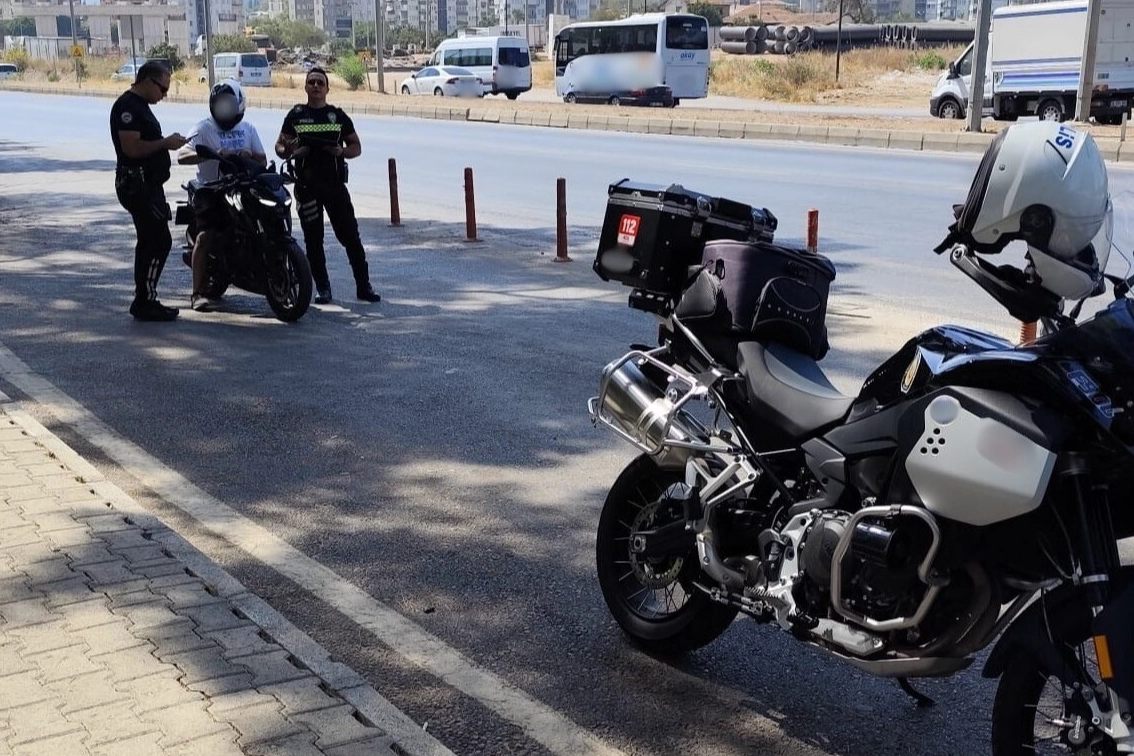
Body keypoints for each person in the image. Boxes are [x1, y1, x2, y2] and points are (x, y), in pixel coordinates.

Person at [273, 67, 381, 304]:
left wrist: (341, 151)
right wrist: (290, 150)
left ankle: (364, 286)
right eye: (311, 82)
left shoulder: (337, 116)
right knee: (313, 241)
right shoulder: (296, 115)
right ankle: (323, 288)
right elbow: (280, 146)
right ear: (305, 87)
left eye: (320, 83)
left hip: (334, 187)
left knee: (350, 237)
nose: (315, 86)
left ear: (327, 88)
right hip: (306, 188)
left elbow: (356, 147)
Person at [176, 79, 267, 312]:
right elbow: (182, 155)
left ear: (239, 105)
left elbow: (262, 160)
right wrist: (212, 154)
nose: (224, 108)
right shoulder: (203, 128)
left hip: (243, 187)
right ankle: (197, 293)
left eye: (229, 103)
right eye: (220, 104)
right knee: (205, 237)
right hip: (212, 189)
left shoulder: (248, 129)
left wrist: (248, 155)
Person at [109, 60, 187, 321]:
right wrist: (164, 143)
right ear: (146, 81)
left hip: (148, 183)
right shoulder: (128, 107)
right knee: (159, 240)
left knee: (149, 240)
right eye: (162, 89)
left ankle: (144, 297)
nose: (164, 95)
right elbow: (131, 148)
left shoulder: (140, 106)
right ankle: (145, 299)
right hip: (137, 184)